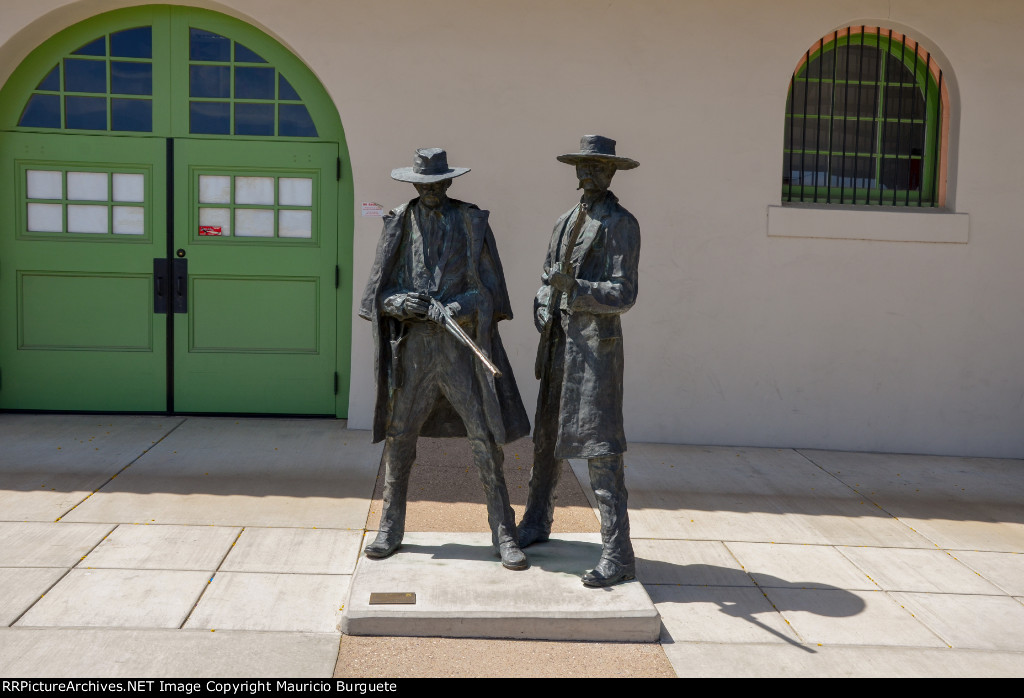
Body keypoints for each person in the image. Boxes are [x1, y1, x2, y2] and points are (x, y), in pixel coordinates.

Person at [359, 147, 531, 570]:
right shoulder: (398, 222)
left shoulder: (470, 223)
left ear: (449, 182)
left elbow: (490, 294)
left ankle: (503, 530)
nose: (430, 191)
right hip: (413, 351)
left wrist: (456, 307)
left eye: (437, 184)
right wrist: (403, 304)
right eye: (423, 185)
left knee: (485, 438)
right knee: (400, 438)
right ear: (413, 184)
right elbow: (377, 296)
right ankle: (390, 527)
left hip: (459, 351)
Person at [519, 135, 641, 586]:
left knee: (601, 451)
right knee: (545, 439)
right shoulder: (563, 221)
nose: (589, 174)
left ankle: (618, 551)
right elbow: (546, 280)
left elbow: (623, 294)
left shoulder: (621, 224)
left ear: (611, 173)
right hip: (557, 347)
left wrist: (576, 289)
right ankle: (536, 520)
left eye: (598, 167)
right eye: (583, 167)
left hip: (594, 352)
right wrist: (541, 301)